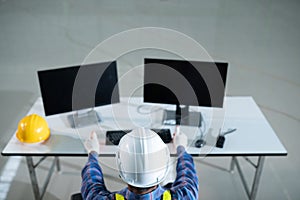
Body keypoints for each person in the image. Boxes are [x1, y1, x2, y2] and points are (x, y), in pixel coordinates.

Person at [81, 127, 199, 200]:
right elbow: (188, 175)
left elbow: (91, 184)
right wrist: (181, 147)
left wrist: (93, 152)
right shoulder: (185, 195)